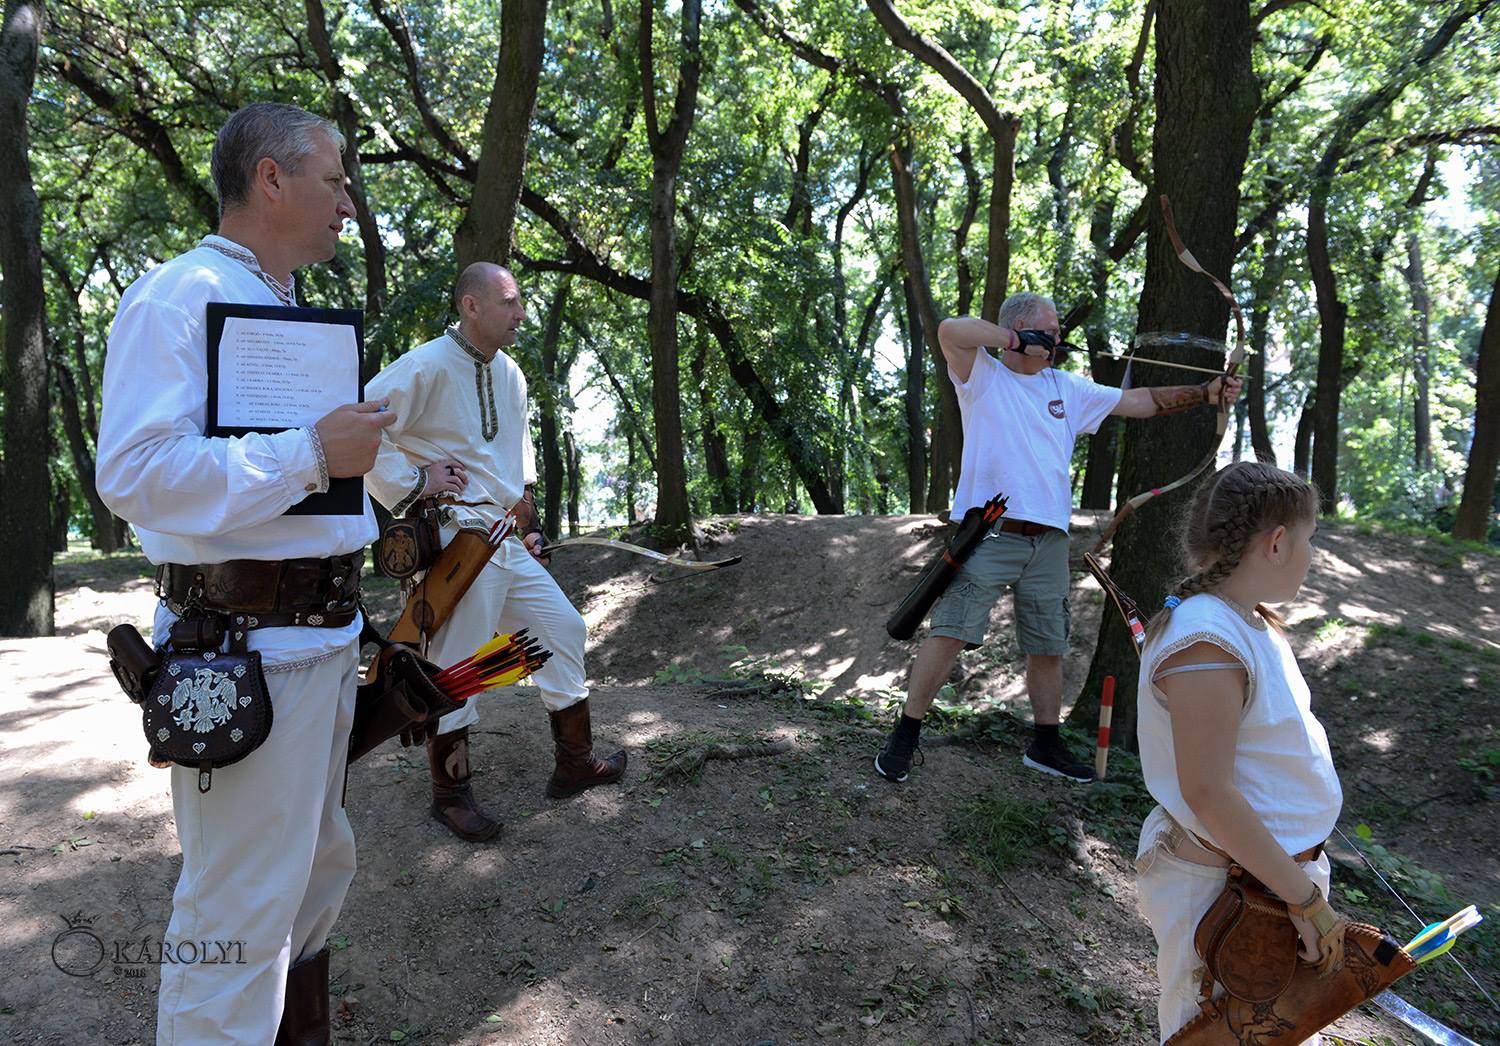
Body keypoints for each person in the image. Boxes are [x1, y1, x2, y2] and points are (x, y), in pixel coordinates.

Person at [96, 104, 393, 1043]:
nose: (348, 203)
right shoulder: (177, 296)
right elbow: (135, 474)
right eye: (335, 180)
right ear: (271, 178)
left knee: (316, 870)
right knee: (237, 911)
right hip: (242, 654)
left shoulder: (288, 309)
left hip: (322, 644)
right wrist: (311, 452)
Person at [874, 292, 1242, 784]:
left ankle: (1046, 743)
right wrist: (1013, 341)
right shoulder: (982, 375)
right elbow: (949, 330)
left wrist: (1205, 393)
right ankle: (905, 733)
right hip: (990, 532)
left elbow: (1137, 402)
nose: (1057, 340)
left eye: (1056, 333)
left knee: (1048, 642)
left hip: (1049, 540)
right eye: (1048, 332)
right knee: (951, 630)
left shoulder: (1065, 387)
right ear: (1020, 329)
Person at [364, 263, 626, 842]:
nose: (520, 314)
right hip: (456, 541)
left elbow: (517, 466)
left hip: (506, 539)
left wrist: (529, 523)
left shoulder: (511, 373)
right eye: (509, 302)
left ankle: (574, 763)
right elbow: (361, 421)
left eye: (520, 302)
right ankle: (450, 795)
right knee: (456, 666)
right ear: (471, 306)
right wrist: (417, 480)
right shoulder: (426, 365)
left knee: (562, 629)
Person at [1132, 461, 1345, 1042]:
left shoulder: (1245, 623)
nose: (1311, 555)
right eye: (1309, 540)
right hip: (1230, 892)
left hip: (1267, 885)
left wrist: (1300, 890)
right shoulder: (1206, 638)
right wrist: (1303, 900)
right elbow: (1208, 793)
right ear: (1276, 543)